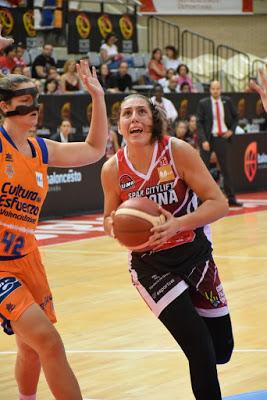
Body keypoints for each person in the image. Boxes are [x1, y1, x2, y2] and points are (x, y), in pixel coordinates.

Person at [101, 93, 234, 400]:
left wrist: (177, 224)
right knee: (199, 348)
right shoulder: (112, 169)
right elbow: (108, 219)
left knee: (221, 350)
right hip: (151, 267)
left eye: (141, 112)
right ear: (120, 125)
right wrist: (117, 226)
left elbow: (219, 204)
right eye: (126, 114)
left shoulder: (177, 152)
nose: (134, 118)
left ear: (154, 119)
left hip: (195, 254)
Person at [0, 59, 108, 400]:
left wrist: (98, 98)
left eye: (36, 103)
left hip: (28, 258)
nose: (34, 110)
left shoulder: (38, 148)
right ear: (3, 107)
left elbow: (94, 150)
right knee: (48, 341)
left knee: (30, 347)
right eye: (24, 104)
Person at [196, 80, 242, 207]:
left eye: (217, 88)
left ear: (220, 89)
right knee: (202, 169)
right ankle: (200, 200)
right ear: (210, 90)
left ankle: (231, 198)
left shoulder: (227, 101)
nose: (215, 91)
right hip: (208, 138)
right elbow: (199, 123)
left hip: (222, 138)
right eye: (213, 88)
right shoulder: (203, 103)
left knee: (226, 169)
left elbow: (236, 117)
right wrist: (204, 140)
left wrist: (231, 130)